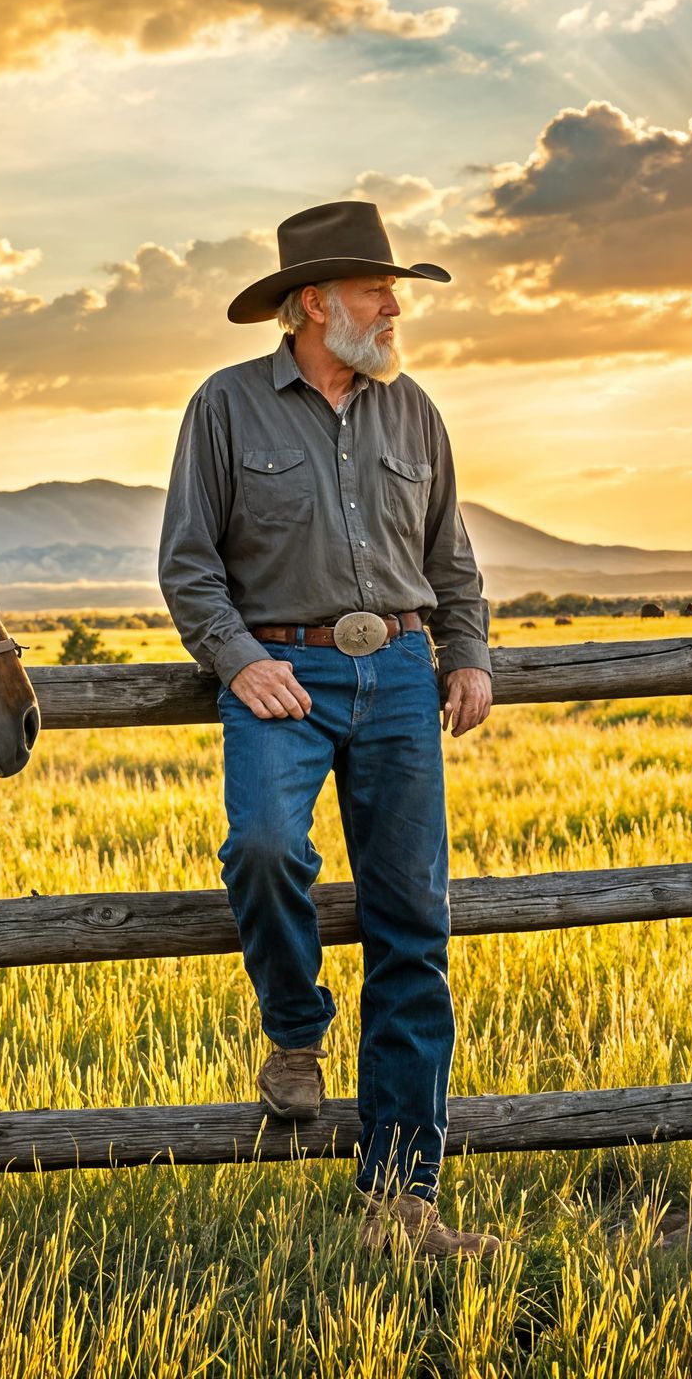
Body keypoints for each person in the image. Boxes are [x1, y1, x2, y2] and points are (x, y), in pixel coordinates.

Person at [159, 199, 501, 1258]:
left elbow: (452, 558)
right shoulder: (223, 408)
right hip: (282, 668)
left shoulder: (416, 413)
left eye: (393, 290)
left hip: (400, 671)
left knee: (413, 925)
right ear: (314, 303)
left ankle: (402, 1203)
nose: (394, 305)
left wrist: (467, 651)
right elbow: (187, 562)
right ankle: (296, 1025)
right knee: (261, 845)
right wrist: (240, 656)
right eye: (374, 288)